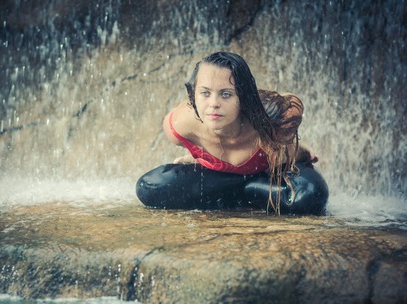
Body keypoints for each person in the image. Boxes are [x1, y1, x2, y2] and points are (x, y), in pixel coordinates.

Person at [136, 52, 328, 215]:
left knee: (309, 196)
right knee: (150, 187)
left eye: (226, 94)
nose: (213, 104)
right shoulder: (180, 125)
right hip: (218, 176)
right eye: (204, 93)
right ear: (193, 95)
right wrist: (201, 157)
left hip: (268, 169)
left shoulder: (273, 117)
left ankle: (237, 191)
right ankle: (241, 190)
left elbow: (291, 101)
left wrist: (290, 144)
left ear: (244, 97)